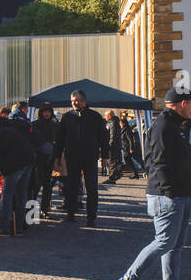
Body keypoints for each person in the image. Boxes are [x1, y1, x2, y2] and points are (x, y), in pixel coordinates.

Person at [113, 87, 191, 280]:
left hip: (179, 192)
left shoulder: (174, 125)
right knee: (164, 241)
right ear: (182, 103)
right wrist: (170, 190)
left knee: (175, 245)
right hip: (167, 194)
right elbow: (157, 161)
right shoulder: (164, 126)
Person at [53, 89, 108, 226]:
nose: (74, 103)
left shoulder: (95, 117)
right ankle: (70, 214)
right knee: (70, 187)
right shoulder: (67, 117)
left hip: (90, 157)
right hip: (72, 157)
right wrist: (57, 156)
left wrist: (105, 156)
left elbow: (103, 138)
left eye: (76, 100)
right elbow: (59, 139)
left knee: (91, 188)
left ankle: (91, 217)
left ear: (84, 101)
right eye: (72, 101)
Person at [0, 113, 36, 235]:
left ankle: (4, 227)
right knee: (21, 194)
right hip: (29, 157)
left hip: (17, 162)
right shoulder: (0, 127)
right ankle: (19, 227)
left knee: (7, 194)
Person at [29, 104, 58, 217]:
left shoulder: (55, 125)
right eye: (44, 111)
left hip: (49, 159)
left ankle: (44, 209)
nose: (47, 114)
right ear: (41, 112)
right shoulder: (35, 124)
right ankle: (31, 212)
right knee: (35, 185)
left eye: (48, 111)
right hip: (38, 159)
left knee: (47, 185)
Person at [121, 115, 143, 179]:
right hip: (125, 148)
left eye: (121, 123)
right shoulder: (123, 129)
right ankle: (135, 174)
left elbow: (130, 140)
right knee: (129, 161)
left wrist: (131, 148)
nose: (120, 124)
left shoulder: (127, 130)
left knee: (129, 161)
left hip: (128, 148)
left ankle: (135, 174)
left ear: (124, 123)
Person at [105, 110, 124, 183]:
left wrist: (110, 144)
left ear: (109, 116)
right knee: (114, 161)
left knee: (112, 161)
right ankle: (115, 175)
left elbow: (112, 135)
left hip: (113, 145)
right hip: (116, 145)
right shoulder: (114, 122)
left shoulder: (113, 123)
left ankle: (112, 178)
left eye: (106, 116)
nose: (105, 117)